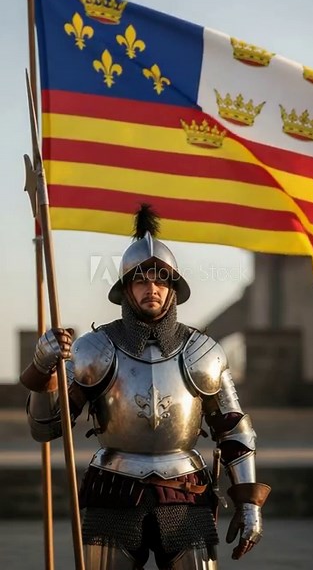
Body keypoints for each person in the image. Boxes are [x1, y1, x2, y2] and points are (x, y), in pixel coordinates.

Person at [20, 203, 271, 570]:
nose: (150, 288)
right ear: (125, 289)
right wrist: (44, 367)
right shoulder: (95, 348)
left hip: (186, 489)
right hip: (114, 489)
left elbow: (234, 429)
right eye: (140, 279)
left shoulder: (203, 352)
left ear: (173, 288)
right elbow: (46, 427)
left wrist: (249, 503)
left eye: (159, 278)